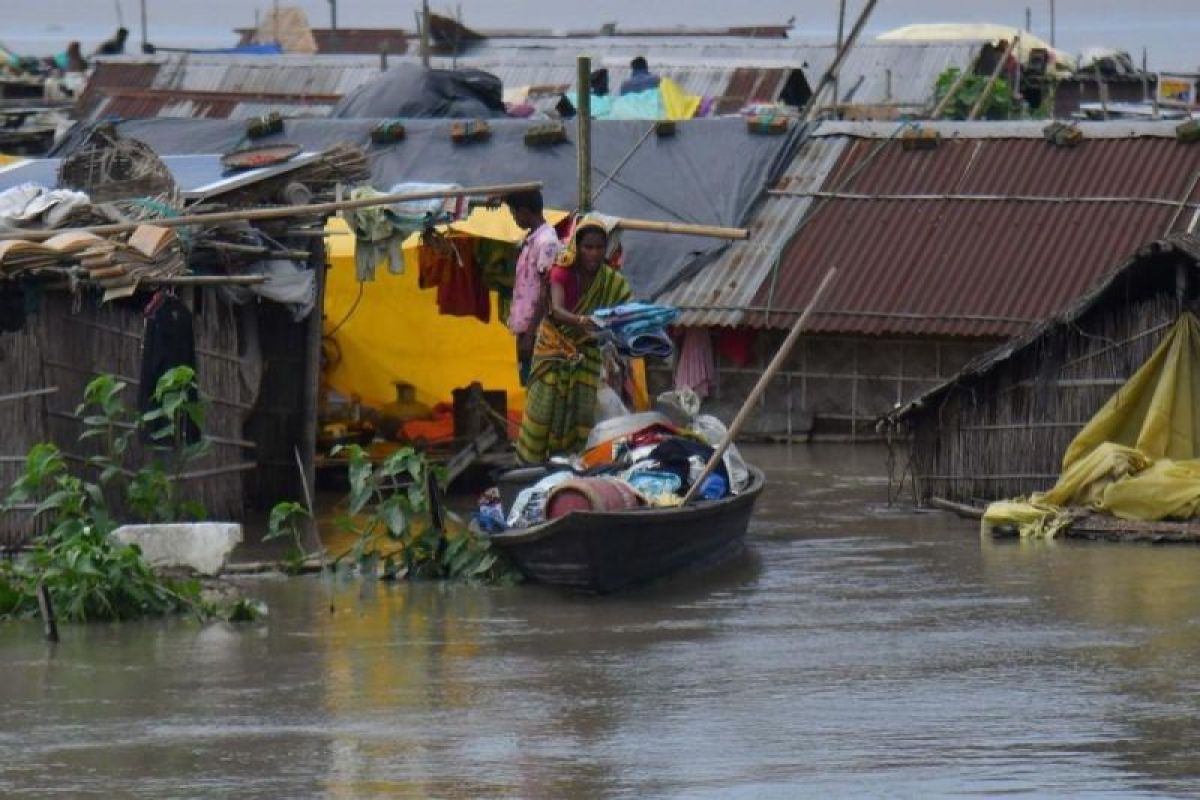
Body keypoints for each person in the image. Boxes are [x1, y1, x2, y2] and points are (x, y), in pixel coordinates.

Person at [516, 220, 632, 464]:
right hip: (554, 349)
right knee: (543, 409)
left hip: (586, 354)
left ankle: (571, 465)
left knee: (580, 413)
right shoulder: (562, 270)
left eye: (600, 247)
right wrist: (583, 320)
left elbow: (625, 309)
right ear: (577, 247)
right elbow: (556, 310)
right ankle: (530, 465)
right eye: (588, 247)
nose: (594, 253)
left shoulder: (610, 280)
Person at [504, 190, 561, 386]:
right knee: (528, 382)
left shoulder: (547, 242)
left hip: (538, 330)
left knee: (538, 384)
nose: (514, 219)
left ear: (525, 212)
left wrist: (530, 334)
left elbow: (547, 291)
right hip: (526, 327)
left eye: (514, 214)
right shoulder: (531, 240)